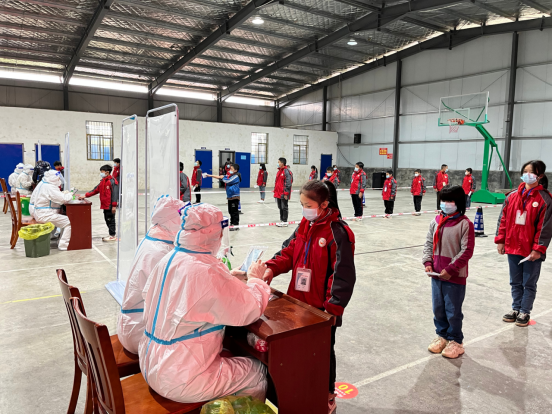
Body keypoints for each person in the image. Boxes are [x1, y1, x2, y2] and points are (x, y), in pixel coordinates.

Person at [138, 203, 271, 403]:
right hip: (180, 377)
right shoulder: (206, 271)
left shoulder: (169, 258)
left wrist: (226, 277)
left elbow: (185, 295)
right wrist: (256, 280)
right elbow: (249, 309)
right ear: (214, 234)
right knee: (257, 372)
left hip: (151, 362)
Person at [262, 180, 356, 414]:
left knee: (323, 355)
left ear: (324, 204)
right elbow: (288, 252)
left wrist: (331, 311)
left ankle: (327, 394)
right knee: (298, 352)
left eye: (309, 205)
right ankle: (301, 390)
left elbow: (342, 276)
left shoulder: (338, 233)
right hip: (297, 304)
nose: (305, 209)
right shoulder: (304, 225)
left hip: (321, 312)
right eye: (302, 204)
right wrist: (271, 268)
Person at [118, 195, 185, 354]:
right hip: (141, 332)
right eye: (182, 218)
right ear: (172, 220)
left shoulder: (153, 239)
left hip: (132, 323)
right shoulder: (161, 252)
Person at [495, 160, 552, 327]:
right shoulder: (511, 196)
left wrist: (538, 249)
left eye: (531, 172)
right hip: (513, 247)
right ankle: (516, 308)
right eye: (525, 171)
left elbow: (545, 228)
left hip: (531, 251)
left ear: (540, 176)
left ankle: (525, 311)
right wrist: (501, 241)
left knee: (529, 283)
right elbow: (503, 220)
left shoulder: (545, 200)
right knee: (515, 281)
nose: (527, 175)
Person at [422, 185, 475, 359]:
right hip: (437, 275)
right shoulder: (435, 221)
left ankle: (456, 341)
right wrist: (428, 262)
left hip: (454, 276)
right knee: (438, 308)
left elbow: (466, 251)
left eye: (450, 200)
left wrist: (451, 268)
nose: (446, 204)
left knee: (453, 310)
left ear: (458, 202)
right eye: (443, 200)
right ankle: (442, 335)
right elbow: (429, 243)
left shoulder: (465, 224)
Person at [29, 170, 73, 250]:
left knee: (63, 219)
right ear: (54, 179)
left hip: (39, 212)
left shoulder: (43, 183)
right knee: (69, 222)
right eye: (58, 178)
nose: (59, 180)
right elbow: (63, 199)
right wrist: (70, 194)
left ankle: (59, 240)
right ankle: (64, 245)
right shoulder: (49, 187)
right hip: (44, 214)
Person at [78, 164, 119, 242]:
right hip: (104, 205)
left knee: (111, 220)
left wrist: (114, 206)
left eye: (102, 172)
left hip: (110, 205)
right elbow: (95, 190)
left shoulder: (113, 182)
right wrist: (85, 195)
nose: (101, 173)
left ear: (107, 172)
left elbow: (115, 194)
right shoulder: (102, 182)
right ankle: (111, 234)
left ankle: (112, 235)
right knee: (107, 220)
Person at [207, 164, 241, 230]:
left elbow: (227, 181)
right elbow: (220, 177)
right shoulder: (229, 176)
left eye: (231, 169)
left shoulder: (236, 177)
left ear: (235, 170)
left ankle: (236, 225)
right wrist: (210, 175)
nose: (230, 170)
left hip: (234, 196)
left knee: (234, 212)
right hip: (230, 196)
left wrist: (223, 177)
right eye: (230, 169)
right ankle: (232, 223)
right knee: (230, 211)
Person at [274, 157, 293, 227]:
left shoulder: (287, 171)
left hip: (283, 193)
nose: (278, 163)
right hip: (278, 193)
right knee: (280, 207)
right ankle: (281, 220)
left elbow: (288, 183)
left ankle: (285, 221)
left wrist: (286, 193)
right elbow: (276, 182)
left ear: (282, 163)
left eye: (278, 162)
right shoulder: (279, 171)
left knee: (284, 207)